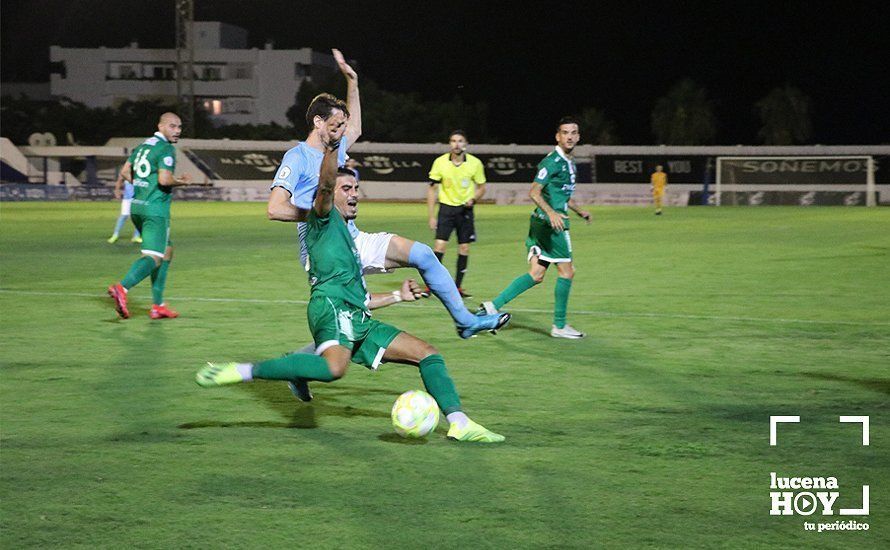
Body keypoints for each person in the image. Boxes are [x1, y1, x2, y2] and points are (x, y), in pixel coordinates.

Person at [196, 145, 505, 443]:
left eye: (356, 188)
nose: (354, 194)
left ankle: (460, 424)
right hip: (330, 306)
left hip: (356, 316)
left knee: (428, 353)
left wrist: (397, 296)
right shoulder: (322, 219)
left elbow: (364, 299)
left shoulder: (350, 237)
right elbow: (326, 184)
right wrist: (330, 148)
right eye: (347, 189)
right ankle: (244, 370)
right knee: (333, 369)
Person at [266, 49, 509, 339]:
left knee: (424, 255)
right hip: (323, 249)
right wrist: (319, 215)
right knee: (349, 325)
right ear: (318, 122)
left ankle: (465, 321)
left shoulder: (335, 147)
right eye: (335, 125)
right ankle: (297, 368)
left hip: (351, 237)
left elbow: (356, 127)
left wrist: (352, 82)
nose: (342, 131)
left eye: (342, 126)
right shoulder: (298, 157)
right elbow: (275, 208)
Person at [479, 117, 591, 339]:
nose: (569, 136)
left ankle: (492, 306)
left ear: (578, 136)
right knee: (567, 272)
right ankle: (559, 326)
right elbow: (534, 191)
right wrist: (551, 213)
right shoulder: (552, 162)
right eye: (565, 132)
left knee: (537, 274)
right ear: (557, 136)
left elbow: (562, 195)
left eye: (573, 132)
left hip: (544, 222)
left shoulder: (569, 162)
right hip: (551, 224)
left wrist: (579, 211)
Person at [106, 112, 196, 320]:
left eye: (180, 127)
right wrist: (182, 181)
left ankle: (158, 306)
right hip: (155, 210)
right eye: (173, 126)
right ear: (161, 126)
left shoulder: (142, 147)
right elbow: (164, 180)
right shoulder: (165, 149)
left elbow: (125, 172)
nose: (177, 131)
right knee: (154, 257)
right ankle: (123, 288)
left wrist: (142, 185)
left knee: (167, 251)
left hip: (137, 206)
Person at [427, 130, 486, 297]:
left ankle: (458, 287)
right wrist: (431, 215)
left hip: (465, 210)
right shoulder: (440, 162)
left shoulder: (475, 163)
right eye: (453, 141)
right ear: (450, 144)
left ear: (465, 144)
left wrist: (474, 199)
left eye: (460, 141)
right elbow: (432, 189)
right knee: (439, 246)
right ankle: (431, 286)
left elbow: (482, 187)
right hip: (446, 209)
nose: (457, 144)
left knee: (464, 247)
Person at [107, 167, 142, 244]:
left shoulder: (142, 172)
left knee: (138, 217)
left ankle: (136, 236)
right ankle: (115, 234)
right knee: (124, 216)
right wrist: (117, 191)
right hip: (127, 198)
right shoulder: (127, 171)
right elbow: (119, 180)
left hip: (138, 198)